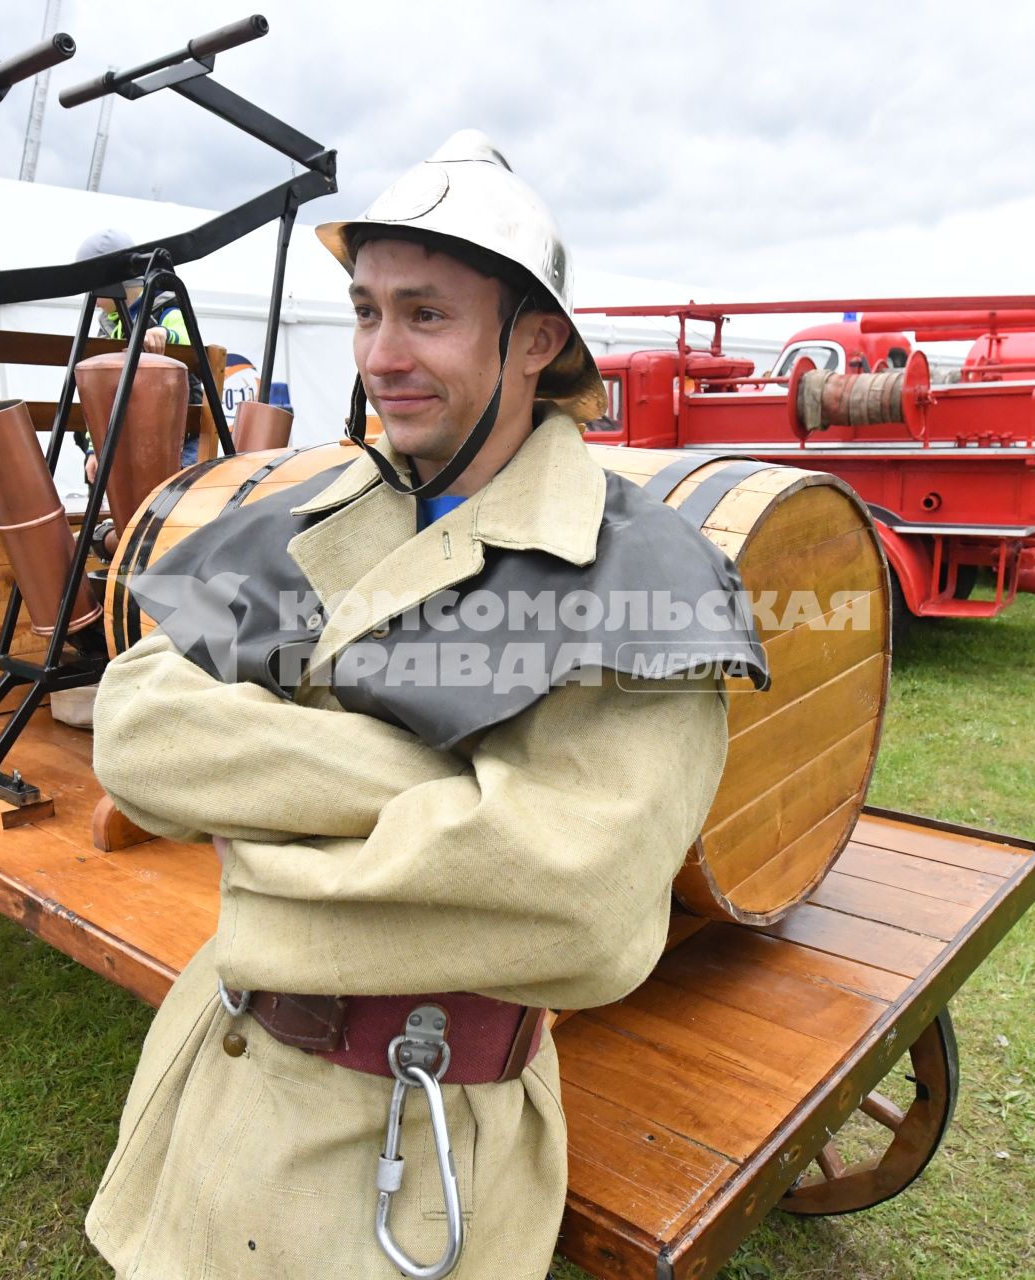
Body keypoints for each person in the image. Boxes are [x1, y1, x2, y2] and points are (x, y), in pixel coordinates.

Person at [85, 131, 765, 1278]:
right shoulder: (316, 510)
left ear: (536, 336)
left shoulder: (644, 574)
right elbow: (137, 726)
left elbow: (581, 908)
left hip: (417, 1125)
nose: (382, 353)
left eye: (427, 315)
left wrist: (252, 842)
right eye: (365, 311)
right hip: (222, 1075)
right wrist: (440, 789)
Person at [73, 228, 199, 481]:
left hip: (175, 435)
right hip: (126, 437)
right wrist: (94, 449)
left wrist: (163, 334)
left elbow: (188, 342)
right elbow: (97, 399)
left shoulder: (164, 308)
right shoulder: (106, 326)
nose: (90, 296)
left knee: (173, 488)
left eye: (91, 287)